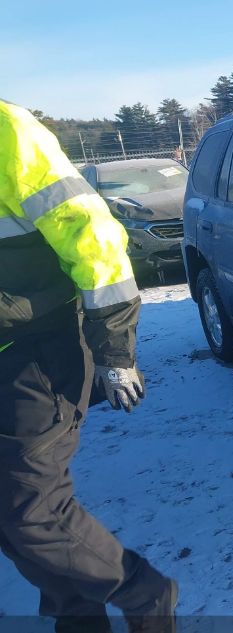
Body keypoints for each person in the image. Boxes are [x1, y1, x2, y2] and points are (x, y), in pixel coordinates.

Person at [0, 100, 178, 633]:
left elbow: (92, 234)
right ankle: (79, 620)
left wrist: (115, 352)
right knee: (10, 521)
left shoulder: (6, 130)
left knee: (31, 511)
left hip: (39, 347)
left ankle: (146, 596)